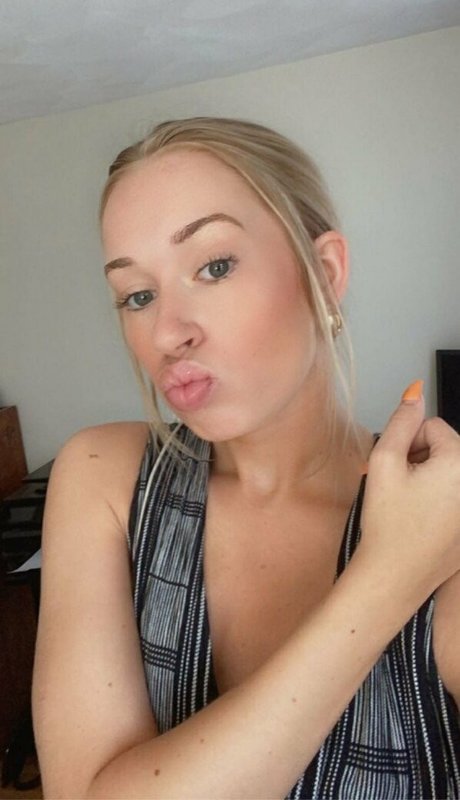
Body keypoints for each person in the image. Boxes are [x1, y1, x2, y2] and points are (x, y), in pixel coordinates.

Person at [32, 117, 460, 800]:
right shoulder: (104, 478)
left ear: (323, 275)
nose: (167, 333)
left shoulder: (444, 519)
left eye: (214, 266)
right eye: (138, 295)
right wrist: (389, 577)